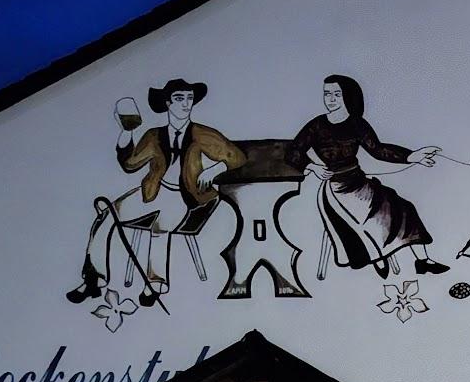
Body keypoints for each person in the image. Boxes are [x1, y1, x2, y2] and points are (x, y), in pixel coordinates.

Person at [66, 79, 246, 307]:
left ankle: (156, 283)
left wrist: (215, 168)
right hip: (151, 191)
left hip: (186, 195)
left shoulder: (201, 133)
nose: (185, 104)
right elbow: (130, 165)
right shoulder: (154, 135)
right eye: (180, 99)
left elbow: (236, 156)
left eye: (189, 98)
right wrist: (125, 133)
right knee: (106, 215)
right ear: (168, 103)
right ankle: (94, 278)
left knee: (160, 226)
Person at [285, 74, 447, 279]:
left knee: (404, 207)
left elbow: (378, 150)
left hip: (360, 183)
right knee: (369, 218)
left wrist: (412, 156)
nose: (331, 99)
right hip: (336, 189)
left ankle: (423, 261)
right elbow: (292, 153)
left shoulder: (357, 124)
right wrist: (312, 167)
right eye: (327, 94)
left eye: (336, 94)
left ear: (347, 96)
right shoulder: (316, 126)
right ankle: (377, 257)